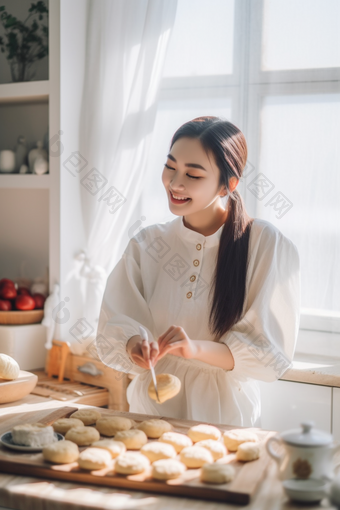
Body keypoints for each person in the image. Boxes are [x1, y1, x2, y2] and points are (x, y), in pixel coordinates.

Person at [96, 116, 300, 427]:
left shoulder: (264, 244)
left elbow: (267, 354)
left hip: (223, 416)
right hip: (149, 412)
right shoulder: (147, 243)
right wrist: (135, 347)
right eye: (170, 167)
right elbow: (114, 323)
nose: (175, 183)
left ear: (228, 184)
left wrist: (193, 349)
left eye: (192, 174)